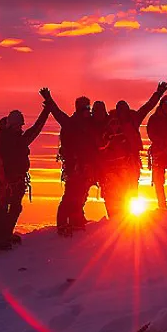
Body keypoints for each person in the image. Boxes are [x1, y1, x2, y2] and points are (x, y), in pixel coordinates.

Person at [99, 82, 167, 217]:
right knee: (117, 190)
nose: (123, 113)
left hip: (131, 162)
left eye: (125, 110)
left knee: (130, 189)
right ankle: (117, 216)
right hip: (116, 165)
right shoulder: (112, 122)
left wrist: (158, 93)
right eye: (121, 110)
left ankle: (126, 217)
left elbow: (148, 106)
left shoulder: (133, 119)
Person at [41, 88, 97, 236]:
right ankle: (63, 224)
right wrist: (49, 99)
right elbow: (57, 113)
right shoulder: (71, 123)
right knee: (71, 195)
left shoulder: (89, 123)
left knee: (80, 194)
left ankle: (75, 220)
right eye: (85, 108)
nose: (88, 111)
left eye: (88, 108)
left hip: (84, 166)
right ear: (79, 109)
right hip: (74, 166)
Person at [0, 106, 50, 249]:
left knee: (13, 208)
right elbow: (35, 130)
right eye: (18, 126)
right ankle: (1, 237)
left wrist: (46, 110)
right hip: (6, 182)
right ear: (11, 125)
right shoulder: (7, 141)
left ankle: (4, 235)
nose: (20, 128)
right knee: (5, 209)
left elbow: (36, 129)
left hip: (15, 181)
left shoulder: (12, 139)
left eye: (20, 126)